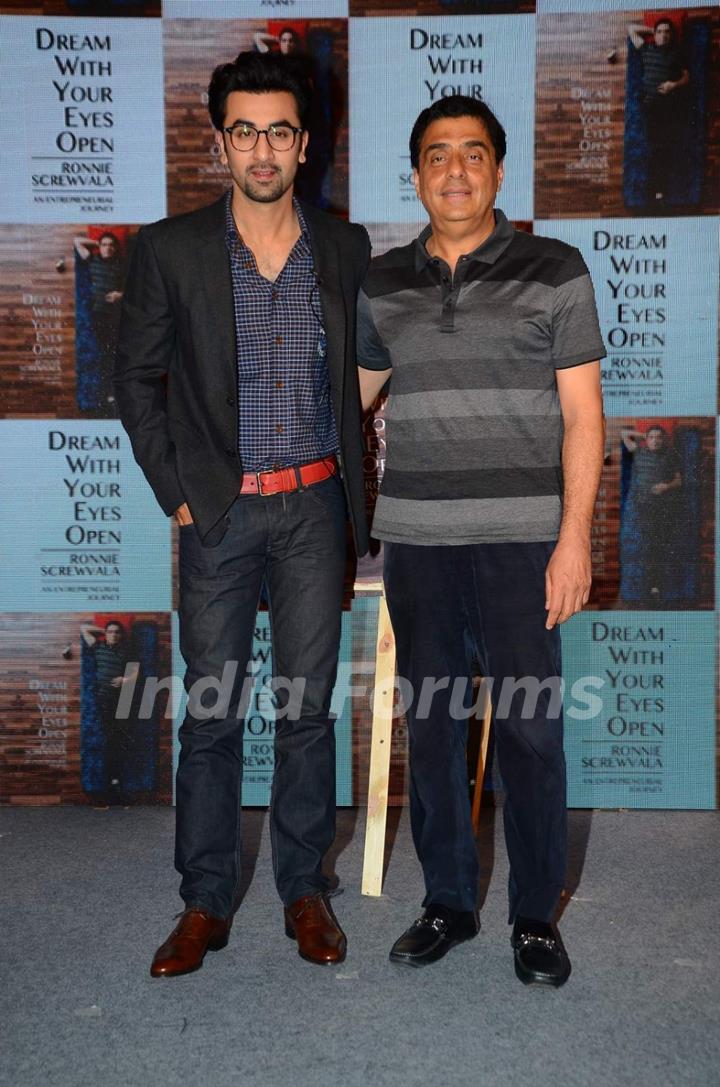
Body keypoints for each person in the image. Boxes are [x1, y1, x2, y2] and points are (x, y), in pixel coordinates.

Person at [115, 51, 370, 978]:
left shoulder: (344, 248)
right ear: (218, 140)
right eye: (244, 130)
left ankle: (304, 889)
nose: (262, 148)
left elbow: (362, 377)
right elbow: (134, 381)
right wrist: (175, 489)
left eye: (279, 130)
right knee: (212, 715)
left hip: (312, 507)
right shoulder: (171, 248)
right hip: (218, 514)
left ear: (305, 144)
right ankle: (204, 898)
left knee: (306, 711)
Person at [357, 95, 605, 987]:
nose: (454, 171)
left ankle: (535, 917)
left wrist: (572, 538)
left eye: (472, 154)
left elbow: (584, 418)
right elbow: (348, 401)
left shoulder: (556, 269)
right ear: (417, 174)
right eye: (435, 156)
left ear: (499, 169)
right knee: (432, 728)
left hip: (521, 542)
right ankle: (448, 903)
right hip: (419, 541)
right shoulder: (383, 283)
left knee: (531, 735)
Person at [628, 18, 689, 205]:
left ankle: (659, 192)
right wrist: (651, 30)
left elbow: (687, 77)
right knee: (653, 148)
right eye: (660, 31)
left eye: (667, 32)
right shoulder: (647, 48)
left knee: (665, 150)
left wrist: (673, 85)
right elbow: (631, 29)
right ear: (655, 35)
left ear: (671, 35)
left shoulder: (676, 54)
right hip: (650, 107)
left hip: (669, 108)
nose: (663, 35)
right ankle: (654, 191)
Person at [620, 425, 682, 604]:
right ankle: (646, 588)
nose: (655, 440)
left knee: (660, 547)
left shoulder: (670, 456)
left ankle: (657, 587)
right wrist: (644, 435)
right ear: (647, 440)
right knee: (644, 547)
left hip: (664, 509)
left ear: (664, 440)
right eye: (652, 437)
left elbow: (679, 481)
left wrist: (666, 486)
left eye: (659, 438)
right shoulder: (639, 452)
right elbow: (624, 434)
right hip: (642, 509)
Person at [80, 620, 138, 806]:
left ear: (121, 635)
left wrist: (125, 679)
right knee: (106, 743)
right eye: (110, 632)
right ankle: (107, 787)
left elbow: (136, 673)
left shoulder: (126, 651)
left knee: (119, 744)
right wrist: (103, 631)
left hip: (122, 701)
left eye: (117, 632)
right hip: (102, 702)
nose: (114, 635)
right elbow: (84, 629)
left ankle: (116, 786)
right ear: (106, 633)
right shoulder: (98, 646)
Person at [74, 231, 125, 412]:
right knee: (102, 355)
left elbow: (138, 287)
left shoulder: (121, 265)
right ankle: (103, 395)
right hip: (98, 316)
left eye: (111, 245)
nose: (108, 248)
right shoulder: (93, 261)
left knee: (114, 356)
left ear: (116, 248)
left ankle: (112, 394)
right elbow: (77, 241)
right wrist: (96, 242)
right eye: (105, 245)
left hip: (117, 316)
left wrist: (121, 295)